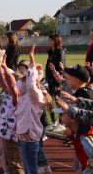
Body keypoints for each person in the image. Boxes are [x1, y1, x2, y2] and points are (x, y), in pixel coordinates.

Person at [13, 44, 53, 174]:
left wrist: (32, 63)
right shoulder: (25, 99)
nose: (19, 90)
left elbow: (32, 84)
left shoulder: (35, 98)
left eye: (21, 87)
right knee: (27, 168)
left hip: (30, 139)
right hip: (23, 138)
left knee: (31, 170)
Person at [53, 106, 93, 174]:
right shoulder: (77, 134)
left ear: (73, 119)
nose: (60, 117)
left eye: (63, 115)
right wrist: (81, 167)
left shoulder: (84, 137)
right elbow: (85, 155)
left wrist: (86, 172)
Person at [46, 34, 66, 132]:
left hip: (57, 81)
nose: (49, 41)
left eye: (51, 40)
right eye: (49, 40)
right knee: (50, 101)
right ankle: (54, 122)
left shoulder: (60, 52)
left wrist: (59, 84)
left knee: (59, 102)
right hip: (50, 81)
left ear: (57, 41)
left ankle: (62, 123)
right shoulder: (51, 52)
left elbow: (62, 67)